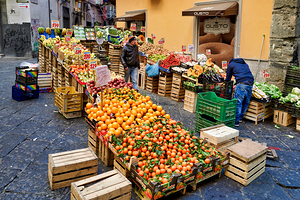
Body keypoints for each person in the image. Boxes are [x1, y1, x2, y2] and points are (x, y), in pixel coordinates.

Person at [225, 58, 254, 127]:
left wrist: (226, 82)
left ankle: (236, 121)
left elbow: (228, 77)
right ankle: (240, 118)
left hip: (241, 84)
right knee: (246, 102)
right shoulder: (244, 63)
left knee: (238, 102)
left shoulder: (231, 64)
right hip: (250, 83)